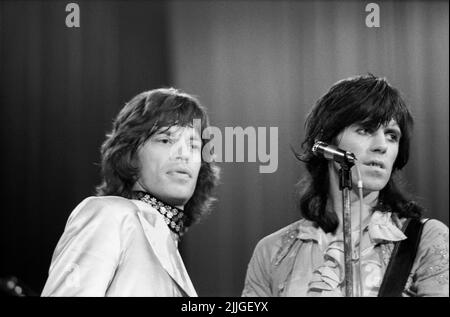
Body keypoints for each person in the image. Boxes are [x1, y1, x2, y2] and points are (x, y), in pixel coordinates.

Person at [242, 74, 449, 297]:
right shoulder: (272, 251)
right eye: (365, 130)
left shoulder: (426, 239)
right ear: (326, 142)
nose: (382, 146)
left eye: (391, 135)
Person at [42, 88, 220, 296]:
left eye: (193, 145)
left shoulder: (171, 249)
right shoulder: (111, 215)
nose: (183, 154)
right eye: (165, 140)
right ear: (131, 153)